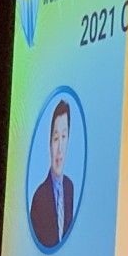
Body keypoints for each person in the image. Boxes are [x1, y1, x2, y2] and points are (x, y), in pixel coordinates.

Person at [30, 99, 75, 247]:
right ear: (50, 143)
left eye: (64, 137)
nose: (60, 149)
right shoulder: (39, 198)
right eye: (56, 139)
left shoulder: (70, 188)